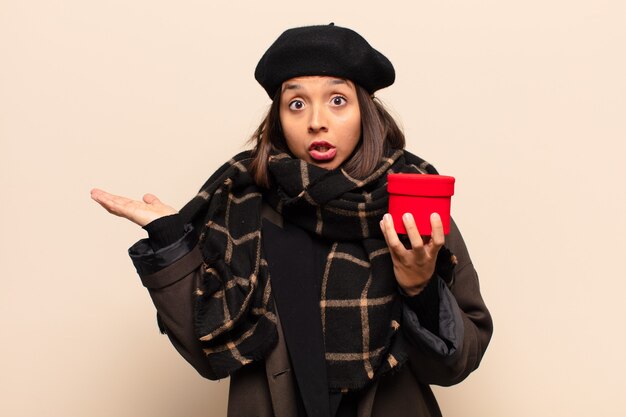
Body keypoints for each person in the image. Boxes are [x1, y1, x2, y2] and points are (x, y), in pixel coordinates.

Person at [91, 24, 492, 417]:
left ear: (365, 112)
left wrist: (420, 288)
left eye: (338, 100)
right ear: (279, 118)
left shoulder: (410, 204)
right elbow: (206, 350)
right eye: (296, 104)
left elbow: (454, 365)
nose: (317, 121)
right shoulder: (243, 205)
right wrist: (171, 241)